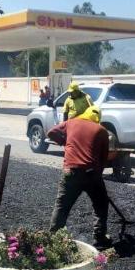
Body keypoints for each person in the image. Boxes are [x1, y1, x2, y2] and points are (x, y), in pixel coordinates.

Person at [48, 105, 112, 248]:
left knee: (62, 206)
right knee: (101, 204)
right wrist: (98, 174)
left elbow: (51, 133)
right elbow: (104, 157)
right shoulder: (101, 130)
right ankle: (100, 239)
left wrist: (65, 142)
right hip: (91, 173)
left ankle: (53, 240)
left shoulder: (71, 123)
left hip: (70, 172)